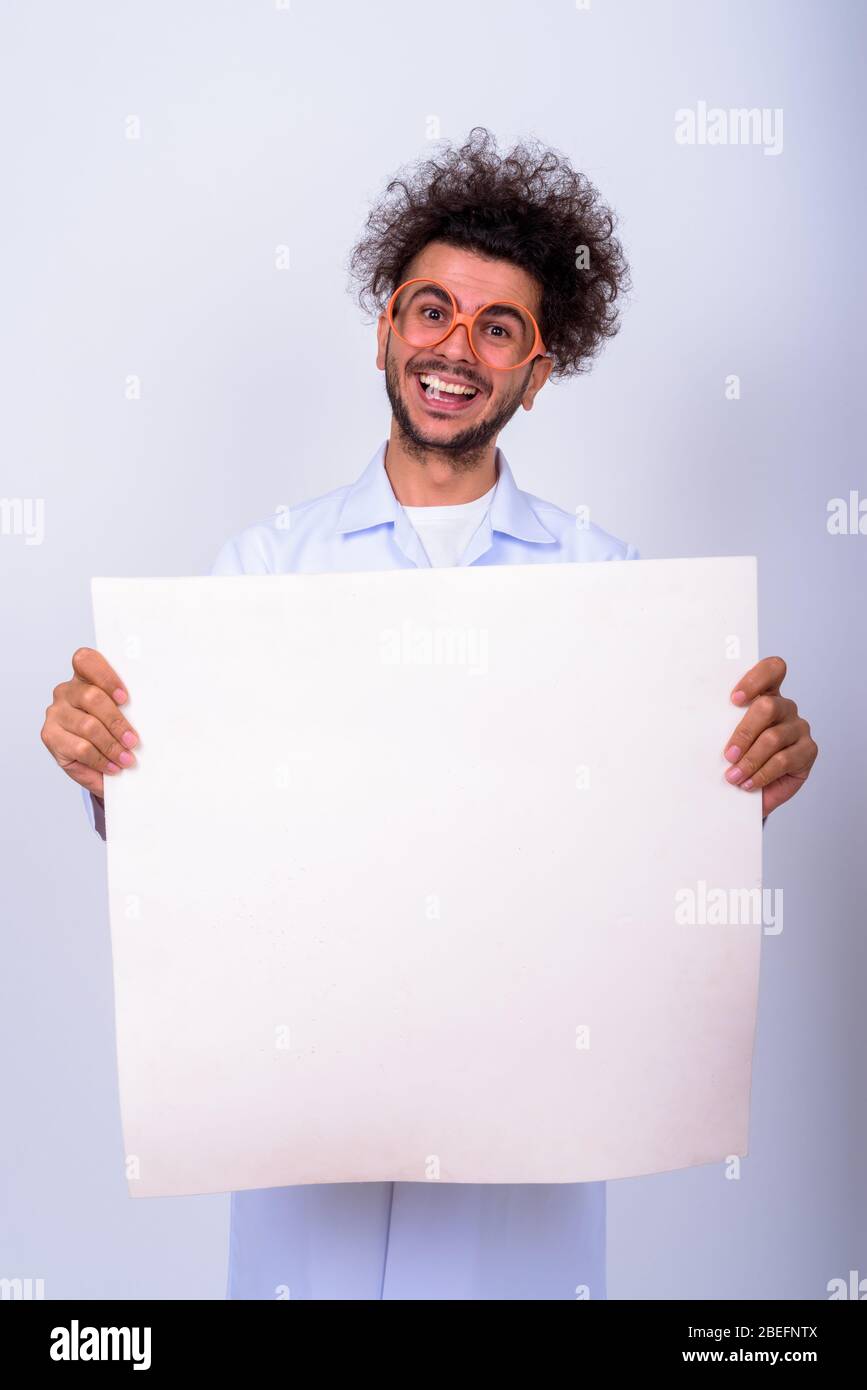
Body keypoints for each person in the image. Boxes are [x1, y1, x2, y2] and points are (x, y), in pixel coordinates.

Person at [40, 128, 818, 1300]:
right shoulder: (261, 571)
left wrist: (750, 782)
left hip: (527, 1148)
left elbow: (651, 860)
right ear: (385, 330)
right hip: (305, 1131)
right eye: (431, 310)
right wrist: (111, 777)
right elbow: (197, 847)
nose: (457, 347)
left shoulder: (610, 587)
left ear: (538, 369)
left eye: (498, 326)